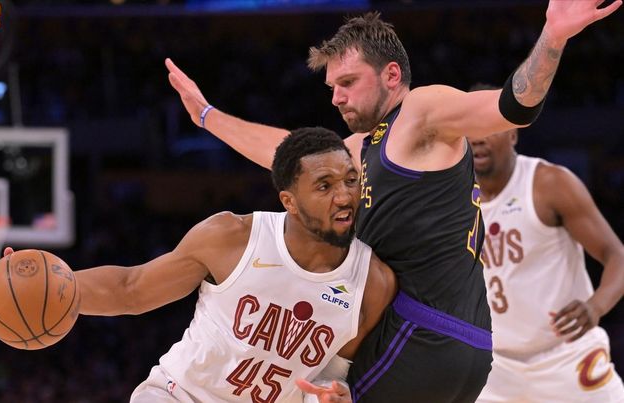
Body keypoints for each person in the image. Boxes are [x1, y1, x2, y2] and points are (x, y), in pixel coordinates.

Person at [164, 1, 621, 401]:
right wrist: (207, 116)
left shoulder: (421, 111)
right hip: (460, 345)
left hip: (420, 331)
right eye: (332, 88)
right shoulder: (361, 148)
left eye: (348, 82)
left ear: (391, 75)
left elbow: (512, 106)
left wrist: (553, 35)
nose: (337, 97)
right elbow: (285, 152)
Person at [0, 128, 396, 403]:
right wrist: (40, 289)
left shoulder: (373, 282)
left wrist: (332, 394)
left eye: (350, 180)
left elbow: (330, 373)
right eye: (324, 185)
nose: (345, 196)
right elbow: (131, 289)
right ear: (290, 201)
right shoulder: (233, 237)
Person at [465, 90, 624, 402]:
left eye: (489, 127)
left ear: (513, 133)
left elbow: (617, 255)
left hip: (565, 354)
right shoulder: (451, 200)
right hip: (495, 365)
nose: (478, 138)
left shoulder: (548, 184)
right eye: (471, 128)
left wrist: (595, 306)